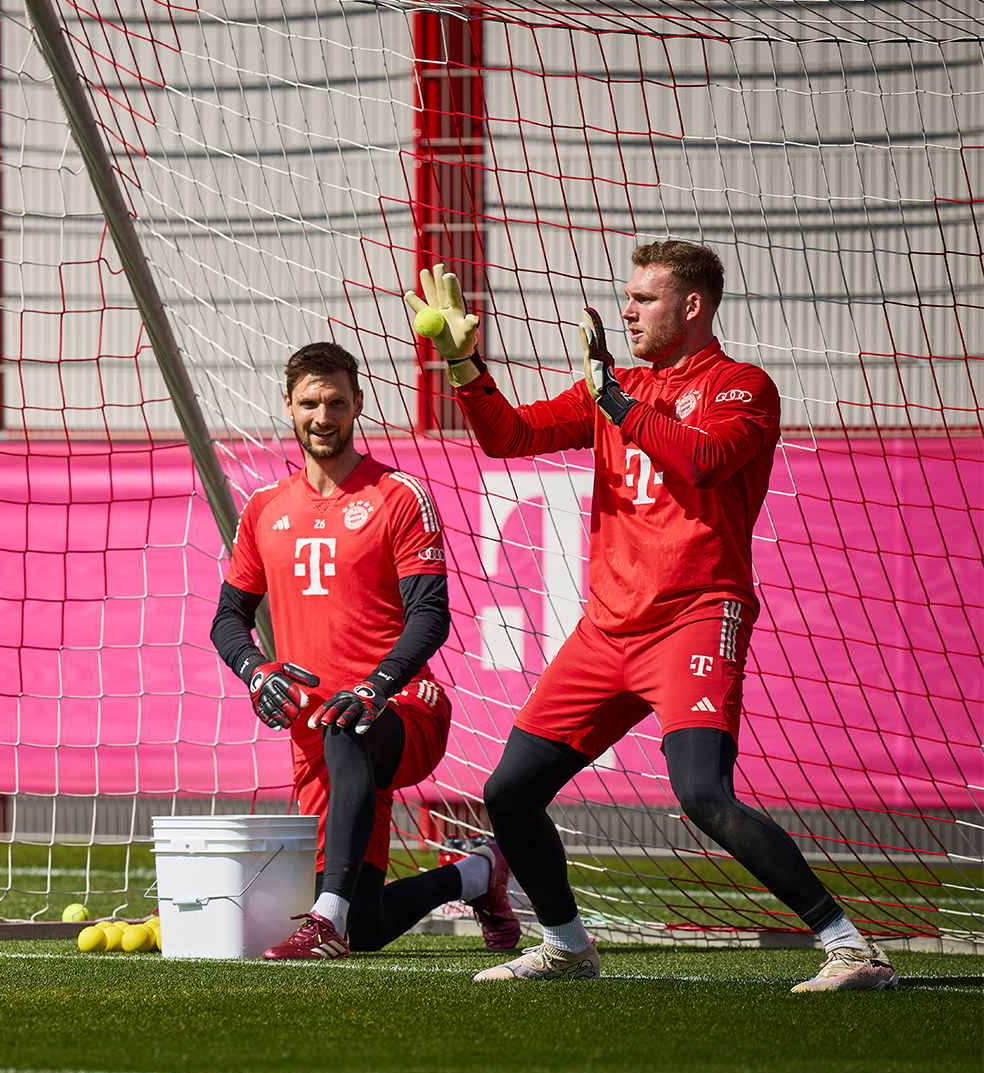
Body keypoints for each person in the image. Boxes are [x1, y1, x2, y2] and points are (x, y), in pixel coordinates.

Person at [405, 242, 896, 991]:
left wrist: (618, 403)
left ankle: (852, 947)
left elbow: (702, 461)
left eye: (645, 298)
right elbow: (509, 439)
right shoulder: (616, 387)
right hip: (608, 629)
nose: (625, 310)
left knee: (701, 794)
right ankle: (568, 946)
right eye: (627, 297)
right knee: (508, 792)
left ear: (693, 306)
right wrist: (463, 365)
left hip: (697, 616)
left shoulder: (742, 387)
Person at [211, 341, 520, 960]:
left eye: (334, 402)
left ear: (358, 405)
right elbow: (227, 620)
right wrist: (255, 673)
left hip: (401, 708)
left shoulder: (397, 495)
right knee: (369, 926)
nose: (322, 416)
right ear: (289, 406)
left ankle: (322, 921)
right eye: (309, 403)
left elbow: (430, 618)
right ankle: (481, 875)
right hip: (317, 727)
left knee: (347, 734)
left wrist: (375, 687)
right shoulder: (264, 508)